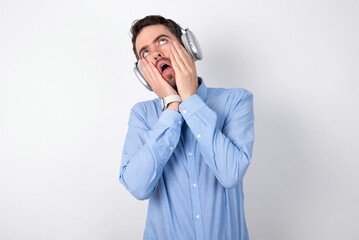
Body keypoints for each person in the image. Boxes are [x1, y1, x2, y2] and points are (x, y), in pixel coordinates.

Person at [120, 15, 255, 240]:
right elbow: (138, 187)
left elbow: (230, 174)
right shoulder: (142, 115)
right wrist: (172, 106)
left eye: (162, 41)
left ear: (187, 46)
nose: (155, 53)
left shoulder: (236, 100)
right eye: (145, 52)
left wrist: (190, 99)